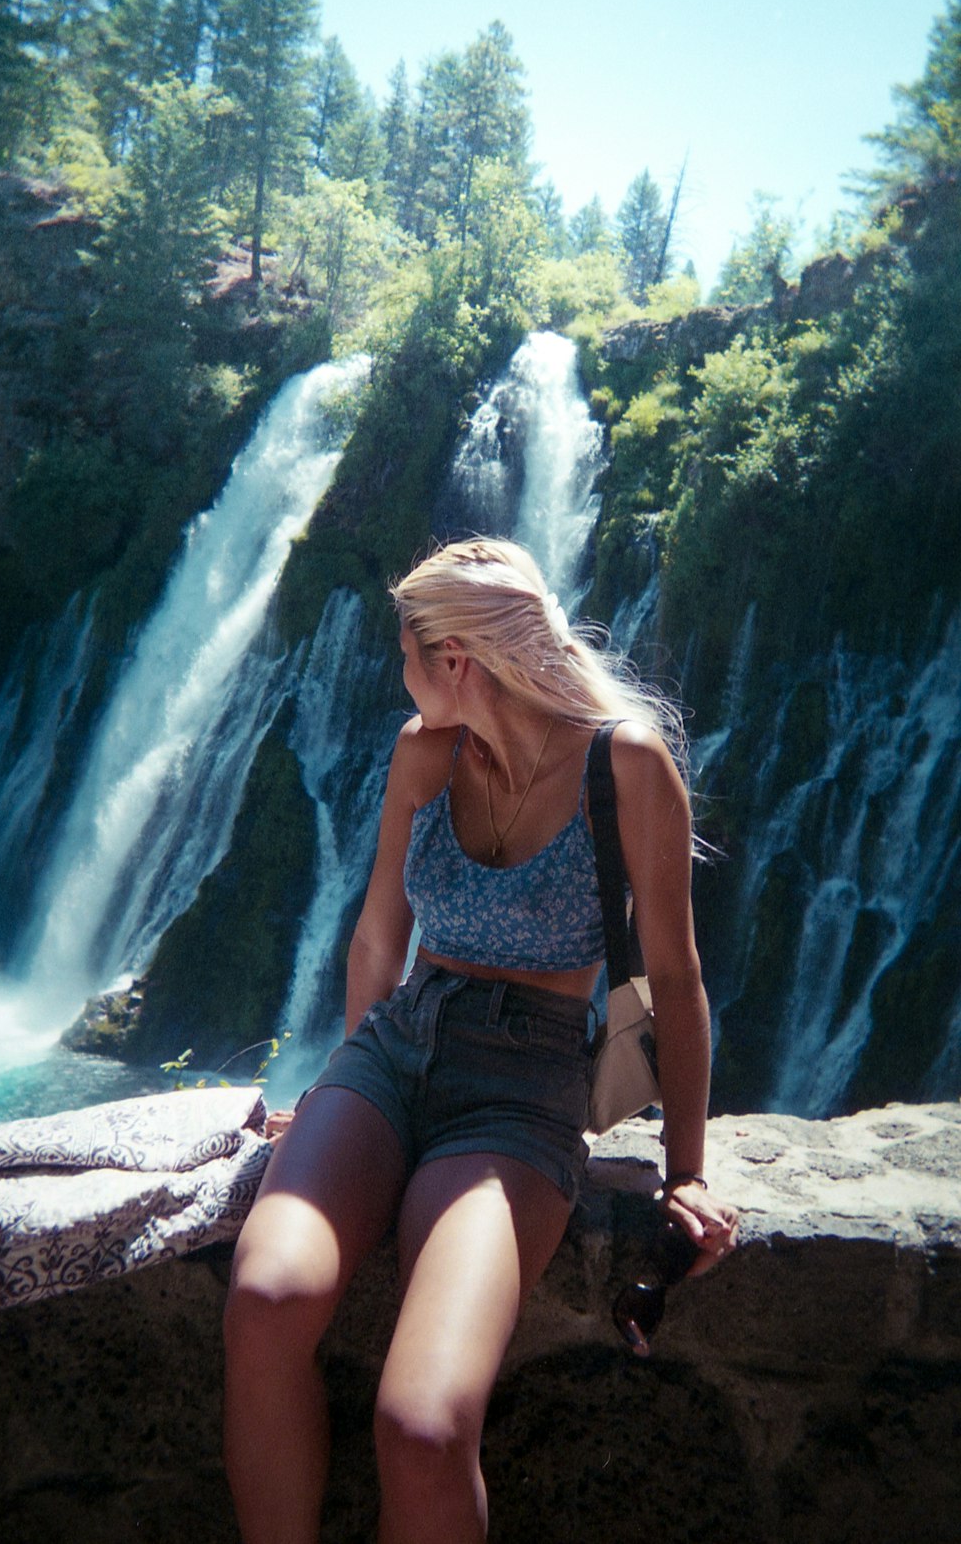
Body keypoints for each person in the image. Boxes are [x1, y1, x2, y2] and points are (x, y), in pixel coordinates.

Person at [223, 537, 739, 1544]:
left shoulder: (625, 763)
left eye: (408, 653)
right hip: (394, 1050)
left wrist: (686, 1169)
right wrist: (336, 1079)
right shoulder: (425, 752)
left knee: (421, 1425)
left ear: (456, 658)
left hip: (523, 1087)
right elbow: (379, 935)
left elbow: (674, 980)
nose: (401, 674)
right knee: (265, 1295)